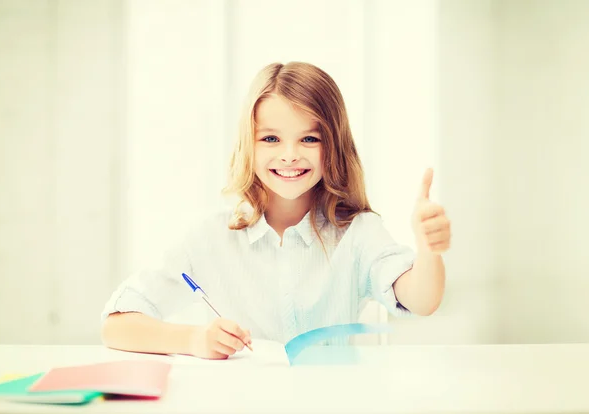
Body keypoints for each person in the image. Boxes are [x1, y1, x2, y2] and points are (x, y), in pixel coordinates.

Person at [101, 61, 451, 360]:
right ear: (248, 145)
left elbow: (422, 300)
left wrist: (428, 251)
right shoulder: (209, 238)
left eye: (309, 139)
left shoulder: (358, 232)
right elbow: (116, 326)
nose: (289, 155)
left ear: (335, 146)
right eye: (271, 139)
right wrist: (194, 339)